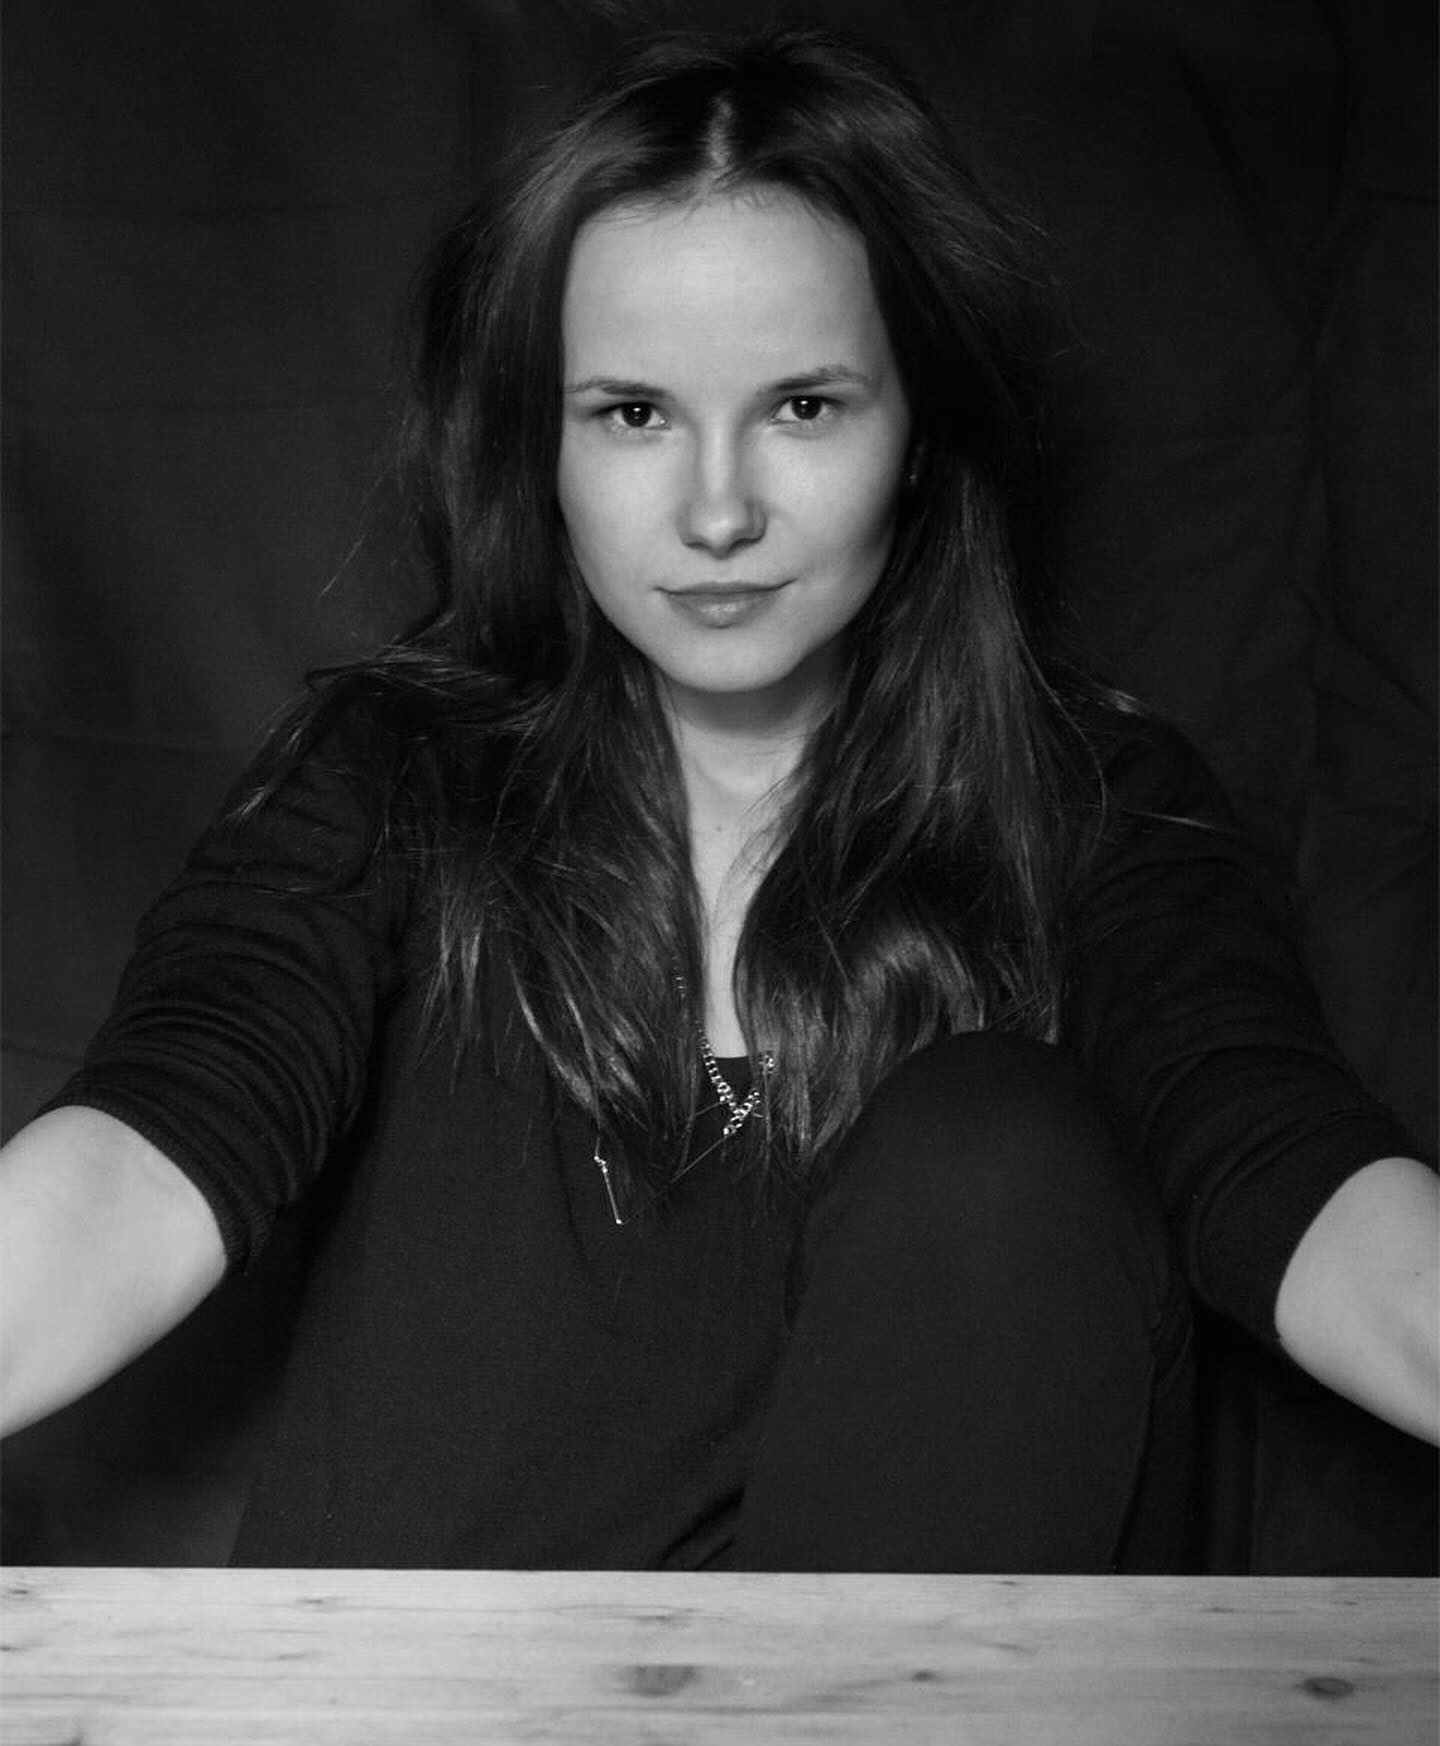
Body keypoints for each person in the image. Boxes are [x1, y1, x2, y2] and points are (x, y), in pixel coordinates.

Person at [1, 25, 1434, 1572]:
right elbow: (157, 1138)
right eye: (634, 413)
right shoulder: (391, 768)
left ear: (921, 431)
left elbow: (1279, 1161)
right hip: (427, 1685)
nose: (718, 509)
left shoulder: (1092, 808)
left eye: (804, 406)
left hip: (889, 1688)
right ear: (541, 443)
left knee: (996, 1147)